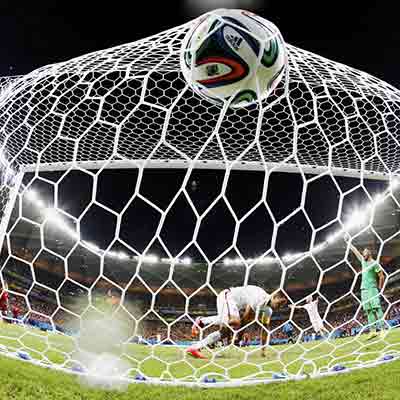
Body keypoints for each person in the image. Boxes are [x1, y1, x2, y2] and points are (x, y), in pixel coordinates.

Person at [187, 285, 286, 359]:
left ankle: (195, 347)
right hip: (227, 296)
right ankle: (201, 321)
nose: (280, 307)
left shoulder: (268, 311)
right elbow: (245, 320)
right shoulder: (259, 298)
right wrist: (238, 338)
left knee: (224, 332)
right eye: (280, 303)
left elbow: (265, 329)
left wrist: (263, 350)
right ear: (274, 297)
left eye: (282, 305)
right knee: (235, 321)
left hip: (234, 305)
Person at [347, 243, 385, 339]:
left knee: (377, 309)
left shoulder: (374, 263)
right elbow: (356, 252)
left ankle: (383, 329)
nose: (363, 255)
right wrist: (349, 244)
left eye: (365, 253)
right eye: (363, 253)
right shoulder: (363, 262)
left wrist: (380, 288)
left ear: (369, 254)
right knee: (368, 311)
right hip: (363, 289)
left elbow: (381, 276)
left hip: (372, 289)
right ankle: (373, 331)